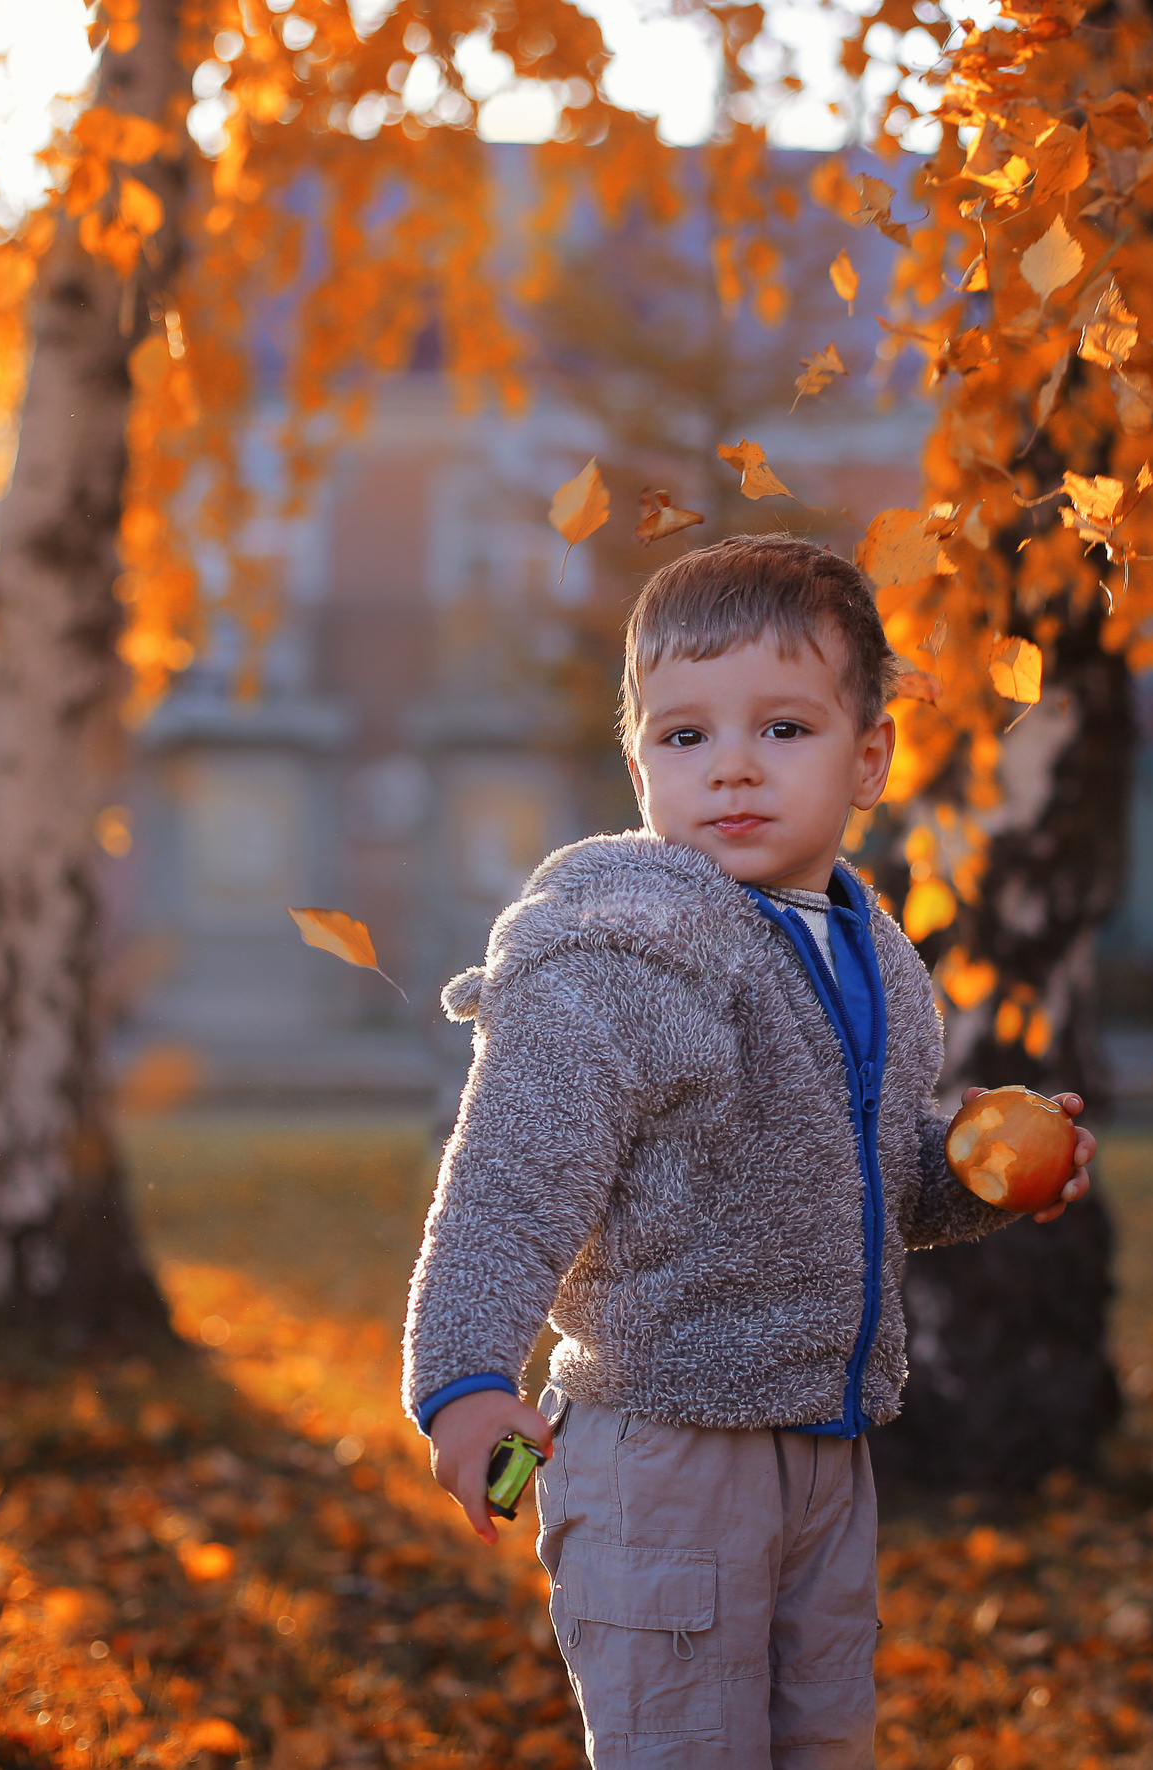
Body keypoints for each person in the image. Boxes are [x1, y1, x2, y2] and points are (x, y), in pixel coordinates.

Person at [403, 534, 1093, 1767]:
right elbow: (506, 1185)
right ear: (639, 766)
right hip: (667, 1455)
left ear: (867, 754)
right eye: (685, 738)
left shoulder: (871, 955)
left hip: (821, 1455)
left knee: (821, 1747)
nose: (730, 769)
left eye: (781, 729)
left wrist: (982, 1173)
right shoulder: (623, 953)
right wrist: (464, 1381)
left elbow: (859, 1188)